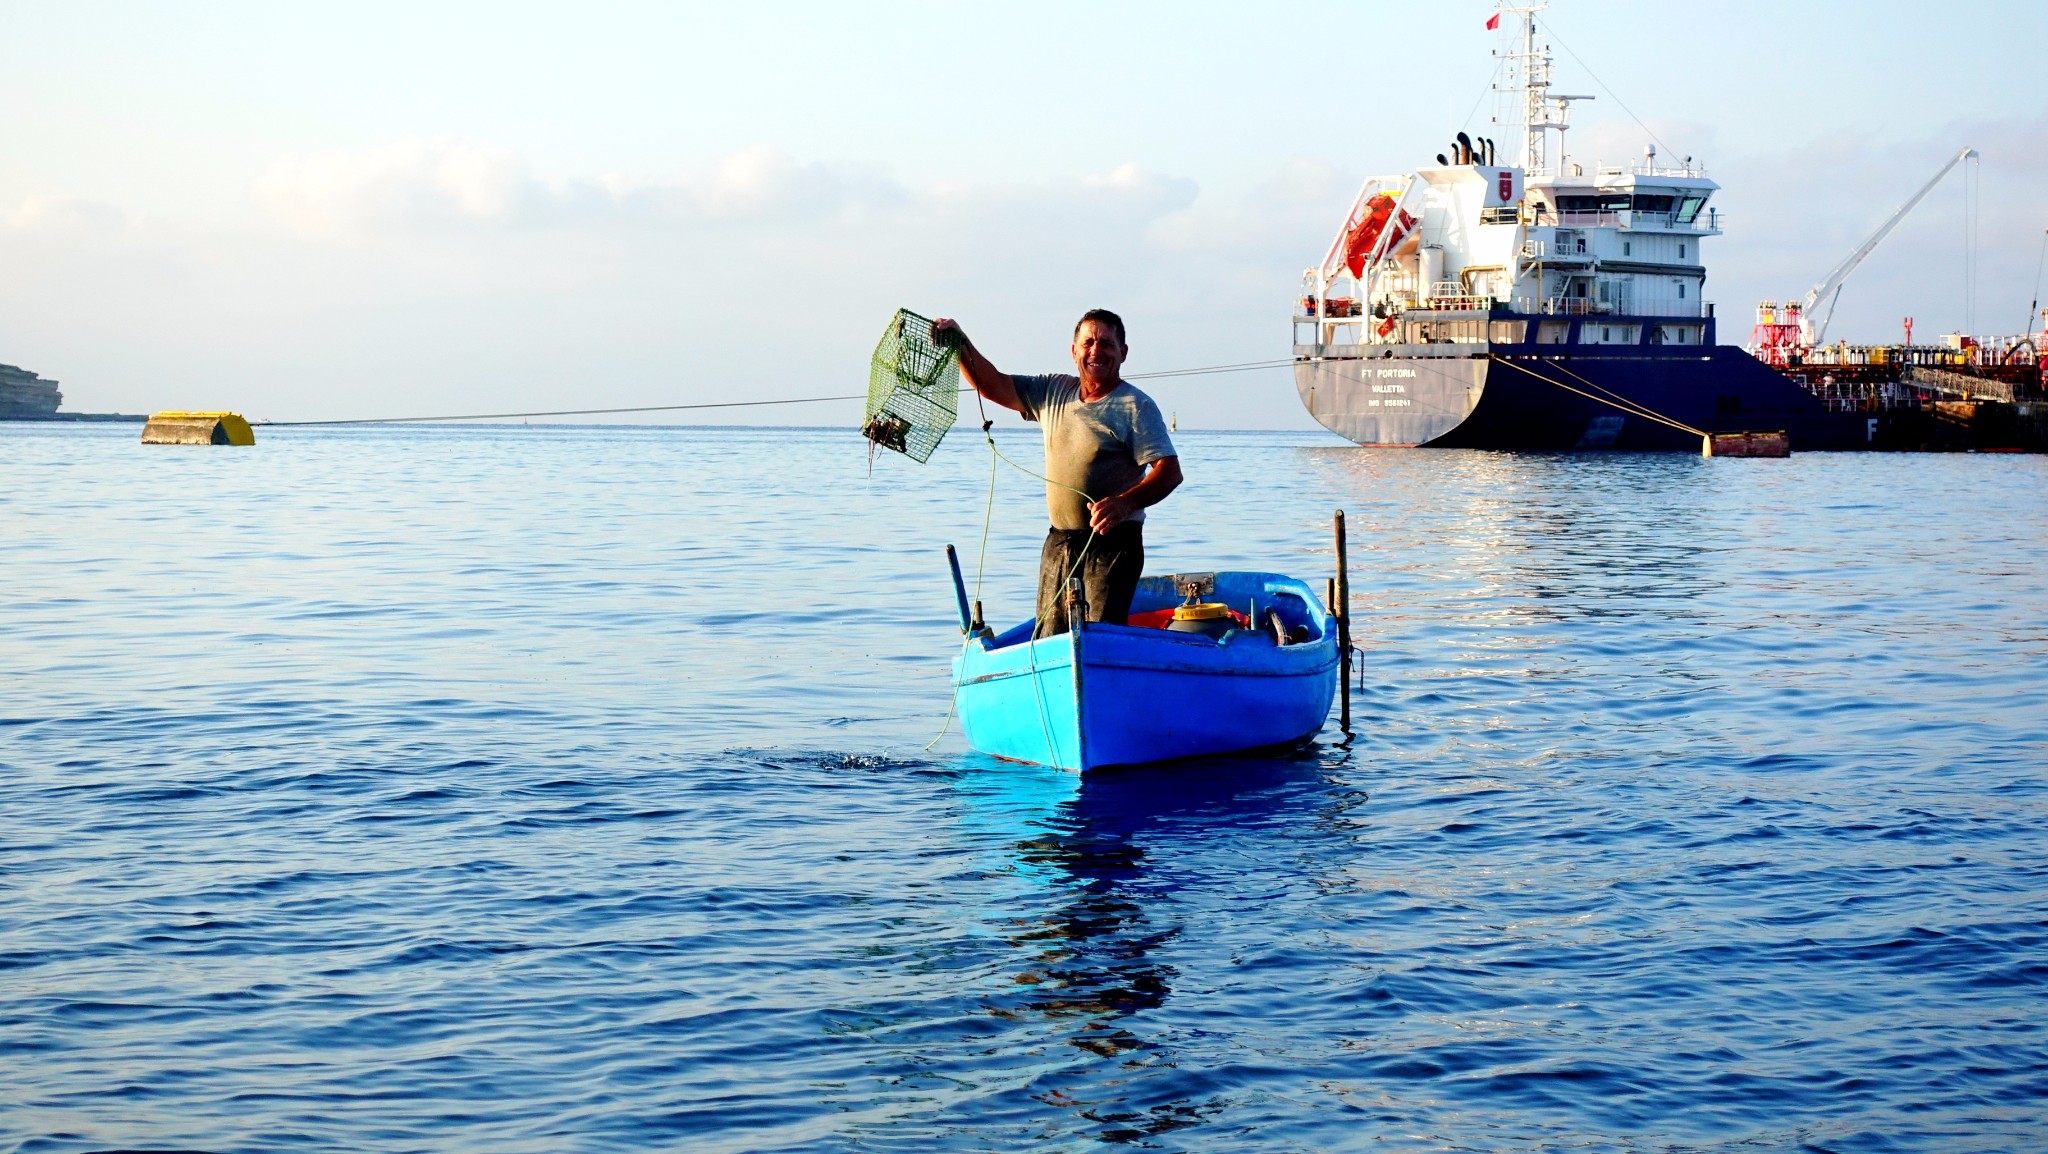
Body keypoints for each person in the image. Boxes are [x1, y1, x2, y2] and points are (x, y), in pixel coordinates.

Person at [932, 309, 1181, 637]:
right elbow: (994, 385)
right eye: (1088, 343)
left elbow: (1169, 472)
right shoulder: (1052, 390)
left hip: (1113, 545)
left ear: (1123, 353)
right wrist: (960, 343)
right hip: (1060, 541)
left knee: (1100, 639)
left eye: (1106, 343)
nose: (1096, 350)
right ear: (1074, 351)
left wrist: (1123, 504)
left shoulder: (1136, 406)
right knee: (1049, 637)